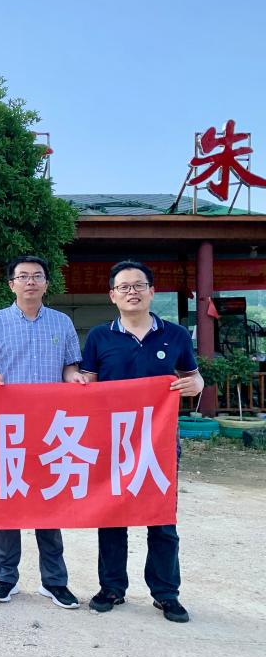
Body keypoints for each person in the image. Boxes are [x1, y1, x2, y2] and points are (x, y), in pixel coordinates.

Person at [80, 260, 203, 623]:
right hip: (113, 440)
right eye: (124, 287)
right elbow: (88, 383)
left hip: (158, 441)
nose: (131, 292)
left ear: (152, 291)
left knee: (161, 517)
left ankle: (166, 593)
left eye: (138, 285)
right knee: (112, 515)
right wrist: (79, 385)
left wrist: (194, 385)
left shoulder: (175, 335)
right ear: (112, 295)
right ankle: (111, 587)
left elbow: (194, 377)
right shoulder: (100, 337)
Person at [0, 255, 86, 610]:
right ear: (12, 284)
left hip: (51, 428)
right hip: (9, 428)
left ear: (46, 283)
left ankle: (55, 582)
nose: (30, 282)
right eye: (23, 276)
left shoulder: (62, 322)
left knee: (48, 504)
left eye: (37, 276)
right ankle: (5, 578)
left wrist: (74, 378)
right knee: (9, 504)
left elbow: (70, 366)